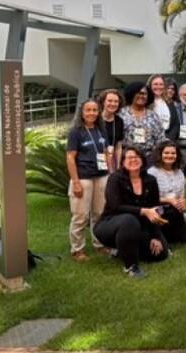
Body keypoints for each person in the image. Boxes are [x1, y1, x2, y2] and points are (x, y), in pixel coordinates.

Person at [94, 146, 169, 278]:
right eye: (129, 157)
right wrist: (143, 211)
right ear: (122, 162)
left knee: (160, 254)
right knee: (129, 220)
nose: (133, 160)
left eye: (136, 157)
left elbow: (154, 209)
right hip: (110, 224)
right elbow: (115, 206)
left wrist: (155, 236)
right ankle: (131, 267)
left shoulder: (151, 180)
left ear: (142, 160)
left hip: (138, 227)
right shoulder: (115, 178)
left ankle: (122, 250)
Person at [66, 99, 111, 262]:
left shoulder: (101, 130)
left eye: (94, 110)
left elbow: (106, 152)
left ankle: (99, 244)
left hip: (101, 176)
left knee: (99, 214)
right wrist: (75, 182)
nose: (91, 113)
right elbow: (70, 158)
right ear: (82, 112)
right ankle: (77, 249)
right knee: (80, 215)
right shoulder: (75, 132)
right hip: (83, 178)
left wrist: (109, 173)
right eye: (88, 110)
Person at [147, 141, 186, 243]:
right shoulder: (152, 172)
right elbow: (148, 199)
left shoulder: (179, 172)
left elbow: (182, 196)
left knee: (182, 240)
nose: (170, 155)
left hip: (176, 211)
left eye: (173, 153)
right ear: (160, 154)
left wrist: (183, 201)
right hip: (157, 210)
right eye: (166, 153)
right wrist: (168, 200)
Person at [118, 82, 166, 161]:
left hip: (149, 158)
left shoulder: (153, 115)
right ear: (132, 94)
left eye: (144, 94)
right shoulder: (121, 114)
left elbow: (160, 138)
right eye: (139, 93)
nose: (142, 96)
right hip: (127, 158)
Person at [147, 74, 180, 142]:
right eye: (155, 84)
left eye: (161, 84)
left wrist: (169, 140)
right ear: (150, 86)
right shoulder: (145, 103)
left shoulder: (170, 103)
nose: (158, 87)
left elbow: (175, 124)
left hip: (167, 143)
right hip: (149, 142)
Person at [97, 88, 124, 171]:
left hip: (112, 160)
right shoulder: (95, 119)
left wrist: (118, 166)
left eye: (116, 101)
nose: (113, 104)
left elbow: (118, 146)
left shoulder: (119, 121)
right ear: (103, 102)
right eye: (110, 101)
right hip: (96, 159)